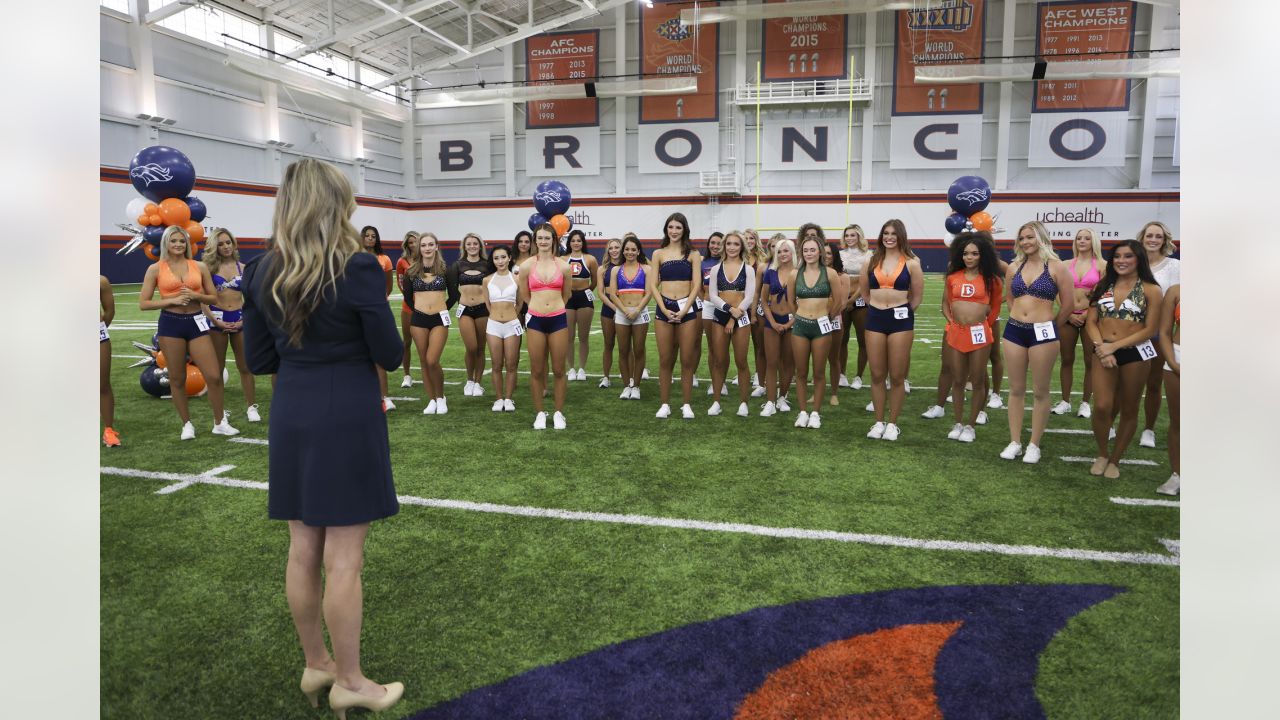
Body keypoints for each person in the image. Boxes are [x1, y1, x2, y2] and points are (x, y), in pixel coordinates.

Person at [240, 158, 405, 719]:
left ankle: (317, 662)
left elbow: (260, 358)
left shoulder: (259, 269)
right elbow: (389, 353)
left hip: (292, 412)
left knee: (302, 549)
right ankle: (352, 680)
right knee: (344, 560)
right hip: (347, 413)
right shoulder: (357, 268)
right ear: (335, 205)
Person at [139, 225, 240, 440]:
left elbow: (212, 298)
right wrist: (172, 300)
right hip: (170, 324)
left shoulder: (199, 266)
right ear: (166, 243)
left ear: (187, 244)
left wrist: (196, 296)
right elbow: (144, 303)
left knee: (213, 375)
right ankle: (187, 424)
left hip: (197, 322)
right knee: (177, 378)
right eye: (173, 241)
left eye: (182, 241)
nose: (178, 244)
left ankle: (220, 422)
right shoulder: (155, 269)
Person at [1085, 240, 1163, 478]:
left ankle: (1115, 459)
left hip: (1136, 353)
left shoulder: (1151, 289)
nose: (1121, 261)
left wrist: (1114, 347)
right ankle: (1102, 453)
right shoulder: (1102, 285)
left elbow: (1150, 329)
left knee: (1129, 408)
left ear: (1138, 258)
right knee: (1101, 406)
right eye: (1117, 256)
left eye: (1128, 256)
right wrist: (1102, 348)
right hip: (1103, 349)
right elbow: (1091, 322)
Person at [999, 221, 1074, 463]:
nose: (1026, 242)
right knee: (1016, 389)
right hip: (1014, 331)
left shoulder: (1057, 267)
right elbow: (1010, 299)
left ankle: (1034, 444)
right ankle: (1015, 441)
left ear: (1041, 237)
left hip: (1043, 334)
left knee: (1041, 390)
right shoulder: (1014, 267)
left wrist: (1049, 327)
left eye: (1030, 237)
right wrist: (1017, 316)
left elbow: (1068, 305)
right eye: (1022, 238)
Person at [861, 219, 923, 441]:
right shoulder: (871, 259)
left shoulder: (912, 262)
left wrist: (900, 312)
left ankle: (892, 424)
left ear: (901, 236)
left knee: (896, 376)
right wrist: (878, 309)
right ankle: (878, 422)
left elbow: (916, 297)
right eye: (885, 233)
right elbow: (864, 292)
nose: (889, 237)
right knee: (877, 374)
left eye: (893, 234)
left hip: (901, 320)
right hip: (875, 317)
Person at [940, 232, 1003, 443]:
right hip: (957, 332)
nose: (969, 257)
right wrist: (952, 323)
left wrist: (985, 324)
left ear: (982, 255)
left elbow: (994, 307)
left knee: (977, 380)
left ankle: (971, 425)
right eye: (966, 253)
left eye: (975, 254)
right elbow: (945, 304)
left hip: (979, 333)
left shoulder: (991, 279)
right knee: (958, 380)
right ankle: (958, 422)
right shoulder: (952, 278)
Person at [200, 228, 262, 421]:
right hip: (216, 319)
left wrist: (243, 319)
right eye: (220, 244)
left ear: (234, 244)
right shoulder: (207, 269)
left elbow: (252, 299)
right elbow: (203, 300)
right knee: (216, 370)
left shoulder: (243, 268)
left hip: (239, 318)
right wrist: (214, 320)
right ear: (214, 247)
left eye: (228, 242)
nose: (225, 247)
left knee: (245, 366)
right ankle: (220, 412)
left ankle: (251, 407)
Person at [518, 223, 572, 429]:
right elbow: (524, 295)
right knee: (537, 369)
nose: (543, 241)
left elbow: (566, 294)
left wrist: (555, 307)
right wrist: (537, 307)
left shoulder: (564, 266)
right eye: (539, 238)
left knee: (559, 369)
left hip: (558, 318)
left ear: (553, 241)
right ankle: (540, 413)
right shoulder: (526, 266)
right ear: (535, 241)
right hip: (536, 318)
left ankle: (559, 412)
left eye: (547, 238)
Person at [650, 212, 704, 419]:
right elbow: (653, 284)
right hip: (664, 308)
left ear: (684, 230)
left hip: (687, 309)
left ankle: (686, 404)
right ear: (666, 229)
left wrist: (684, 310)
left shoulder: (693, 254)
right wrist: (663, 308)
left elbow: (697, 284)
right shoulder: (658, 254)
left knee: (687, 359)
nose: (674, 231)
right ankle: (665, 404)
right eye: (671, 227)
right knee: (665, 360)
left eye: (678, 228)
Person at [402, 232, 459, 415]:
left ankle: (441, 397)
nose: (427, 248)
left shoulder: (445, 269)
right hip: (418, 320)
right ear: (419, 248)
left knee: (432, 360)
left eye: (430, 244)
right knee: (424, 362)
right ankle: (432, 399)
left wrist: (442, 309)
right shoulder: (411, 271)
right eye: (423, 245)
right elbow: (408, 298)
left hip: (439, 320)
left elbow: (454, 295)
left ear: (436, 247)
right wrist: (419, 310)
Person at [1053, 228, 1106, 418]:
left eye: (1087, 238)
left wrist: (1087, 315)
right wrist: (1067, 314)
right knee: (1066, 360)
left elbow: (1103, 294)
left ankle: (1085, 403)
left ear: (1094, 241)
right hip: (1068, 317)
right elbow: (1058, 291)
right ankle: (1065, 401)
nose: (1082, 241)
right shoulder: (1065, 264)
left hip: (1091, 318)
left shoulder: (1102, 265)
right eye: (1078, 238)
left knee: (1090, 361)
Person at [787, 235, 838, 428]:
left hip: (821, 327)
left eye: (812, 250)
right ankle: (802, 412)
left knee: (818, 372)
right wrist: (799, 316)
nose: (809, 253)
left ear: (819, 252)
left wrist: (827, 318)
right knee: (800, 372)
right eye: (805, 250)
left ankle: (815, 413)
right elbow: (790, 301)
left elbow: (839, 301)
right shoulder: (794, 274)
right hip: (800, 326)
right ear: (801, 253)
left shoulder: (830, 273)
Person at [1138, 221, 1180, 449]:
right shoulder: (1132, 262)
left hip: (1156, 334)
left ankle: (1149, 429)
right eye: (1149, 235)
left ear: (1165, 240)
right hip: (1128, 332)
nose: (1153, 239)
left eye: (1158, 236)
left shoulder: (1174, 267)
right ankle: (1117, 423)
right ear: (1142, 237)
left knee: (1153, 384)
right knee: (1123, 383)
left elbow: (1176, 301)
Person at [706, 231, 756, 417]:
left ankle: (743, 403)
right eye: (729, 244)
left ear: (741, 246)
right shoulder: (716, 269)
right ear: (724, 246)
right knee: (719, 361)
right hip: (720, 315)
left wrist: (735, 315)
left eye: (736, 244)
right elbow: (712, 295)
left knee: (741, 361)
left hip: (741, 317)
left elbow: (749, 296)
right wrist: (729, 309)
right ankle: (716, 402)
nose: (732, 247)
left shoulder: (748, 269)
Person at [449, 232, 493, 397]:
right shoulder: (458, 265)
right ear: (464, 246)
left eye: (475, 243)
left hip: (483, 309)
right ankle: (469, 380)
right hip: (465, 309)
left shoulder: (487, 264)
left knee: (481, 348)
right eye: (469, 244)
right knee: (471, 347)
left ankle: (478, 383)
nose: (472, 246)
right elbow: (452, 291)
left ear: (480, 246)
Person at [608, 236, 652, 400]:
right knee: (623, 350)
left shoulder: (647, 269)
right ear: (622, 251)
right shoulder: (615, 270)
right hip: (622, 312)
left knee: (639, 350)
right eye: (627, 249)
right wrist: (625, 310)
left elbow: (649, 293)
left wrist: (637, 310)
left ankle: (637, 386)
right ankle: (627, 385)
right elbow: (613, 294)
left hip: (640, 312)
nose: (630, 252)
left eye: (633, 249)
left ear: (638, 251)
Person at [357, 225, 395, 411]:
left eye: (374, 236)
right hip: (357, 312)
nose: (370, 239)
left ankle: (384, 397)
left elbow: (388, 286)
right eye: (367, 235)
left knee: (379, 356)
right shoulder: (353, 257)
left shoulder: (384, 259)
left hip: (378, 310)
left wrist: (378, 300)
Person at [759, 239, 797, 416]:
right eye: (780, 251)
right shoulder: (770, 272)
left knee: (788, 362)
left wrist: (790, 323)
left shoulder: (799, 273)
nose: (782, 254)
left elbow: (802, 303)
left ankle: (782, 396)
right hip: (771, 321)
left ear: (792, 253)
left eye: (786, 251)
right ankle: (770, 401)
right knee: (772, 362)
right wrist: (773, 322)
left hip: (793, 321)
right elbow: (764, 300)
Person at [483, 245, 521, 412]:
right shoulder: (487, 280)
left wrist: (512, 315)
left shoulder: (517, 279)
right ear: (493, 260)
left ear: (509, 258)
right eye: (496, 258)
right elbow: (487, 303)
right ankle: (499, 399)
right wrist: (496, 317)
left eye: (503, 257)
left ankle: (509, 399)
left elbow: (520, 302)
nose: (500, 261)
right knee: (496, 364)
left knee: (511, 364)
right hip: (493, 326)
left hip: (512, 325)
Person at [837, 224, 872, 390]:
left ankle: (858, 376)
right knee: (841, 339)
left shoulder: (868, 255)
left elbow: (866, 281)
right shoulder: (839, 254)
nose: (849, 238)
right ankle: (841, 374)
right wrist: (844, 300)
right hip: (842, 300)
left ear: (859, 236)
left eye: (853, 235)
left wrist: (852, 300)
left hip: (861, 300)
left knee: (862, 339)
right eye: (847, 236)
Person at [562, 229, 598, 382]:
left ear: (583, 242)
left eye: (579, 240)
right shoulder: (562, 259)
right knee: (568, 337)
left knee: (583, 336)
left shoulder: (590, 259)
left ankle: (582, 368)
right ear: (569, 243)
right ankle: (571, 369)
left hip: (584, 298)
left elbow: (595, 281)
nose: (576, 243)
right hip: (568, 299)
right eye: (573, 240)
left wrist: (586, 292)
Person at [1156, 283, 1180, 495]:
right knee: (1178, 422)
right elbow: (1163, 332)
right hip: (1178, 358)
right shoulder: (1176, 291)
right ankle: (1177, 474)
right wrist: (1173, 363)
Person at [821, 243, 849, 406]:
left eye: (829, 253)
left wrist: (828, 316)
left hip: (833, 321)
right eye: (823, 253)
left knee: (833, 357)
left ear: (835, 256)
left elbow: (843, 302)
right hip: (815, 319)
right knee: (818, 359)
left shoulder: (842, 276)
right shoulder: (815, 273)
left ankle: (833, 393)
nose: (826, 256)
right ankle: (818, 392)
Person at [743, 228, 768, 396]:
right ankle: (750, 375)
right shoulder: (737, 256)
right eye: (745, 238)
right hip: (739, 305)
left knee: (762, 344)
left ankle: (763, 377)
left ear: (756, 240)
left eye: (751, 238)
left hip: (758, 306)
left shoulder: (763, 259)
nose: (749, 241)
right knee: (748, 344)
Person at [699, 232, 725, 394]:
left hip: (724, 307)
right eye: (712, 243)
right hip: (708, 307)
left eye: (718, 243)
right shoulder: (703, 262)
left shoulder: (727, 261)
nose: (715, 246)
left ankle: (722, 382)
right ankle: (714, 382)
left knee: (722, 346)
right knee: (712, 347)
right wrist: (705, 301)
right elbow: (698, 286)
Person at [596, 238, 623, 388]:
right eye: (611, 248)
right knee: (609, 344)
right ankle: (606, 377)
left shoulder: (627, 266)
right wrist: (615, 308)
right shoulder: (602, 269)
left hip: (625, 306)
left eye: (617, 247)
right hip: (609, 308)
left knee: (625, 346)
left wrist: (622, 308)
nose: (614, 250)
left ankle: (629, 377)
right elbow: (600, 293)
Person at [395, 231, 420, 390]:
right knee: (406, 342)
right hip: (408, 307)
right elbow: (400, 283)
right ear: (407, 244)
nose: (413, 245)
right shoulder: (401, 261)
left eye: (416, 241)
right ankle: (407, 375)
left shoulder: (426, 259)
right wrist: (411, 301)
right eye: (410, 242)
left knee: (424, 344)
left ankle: (428, 372)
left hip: (426, 308)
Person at [101, 275, 120, 447]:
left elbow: (109, 311)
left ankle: (108, 430)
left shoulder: (101, 281)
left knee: (103, 385)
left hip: (98, 335)